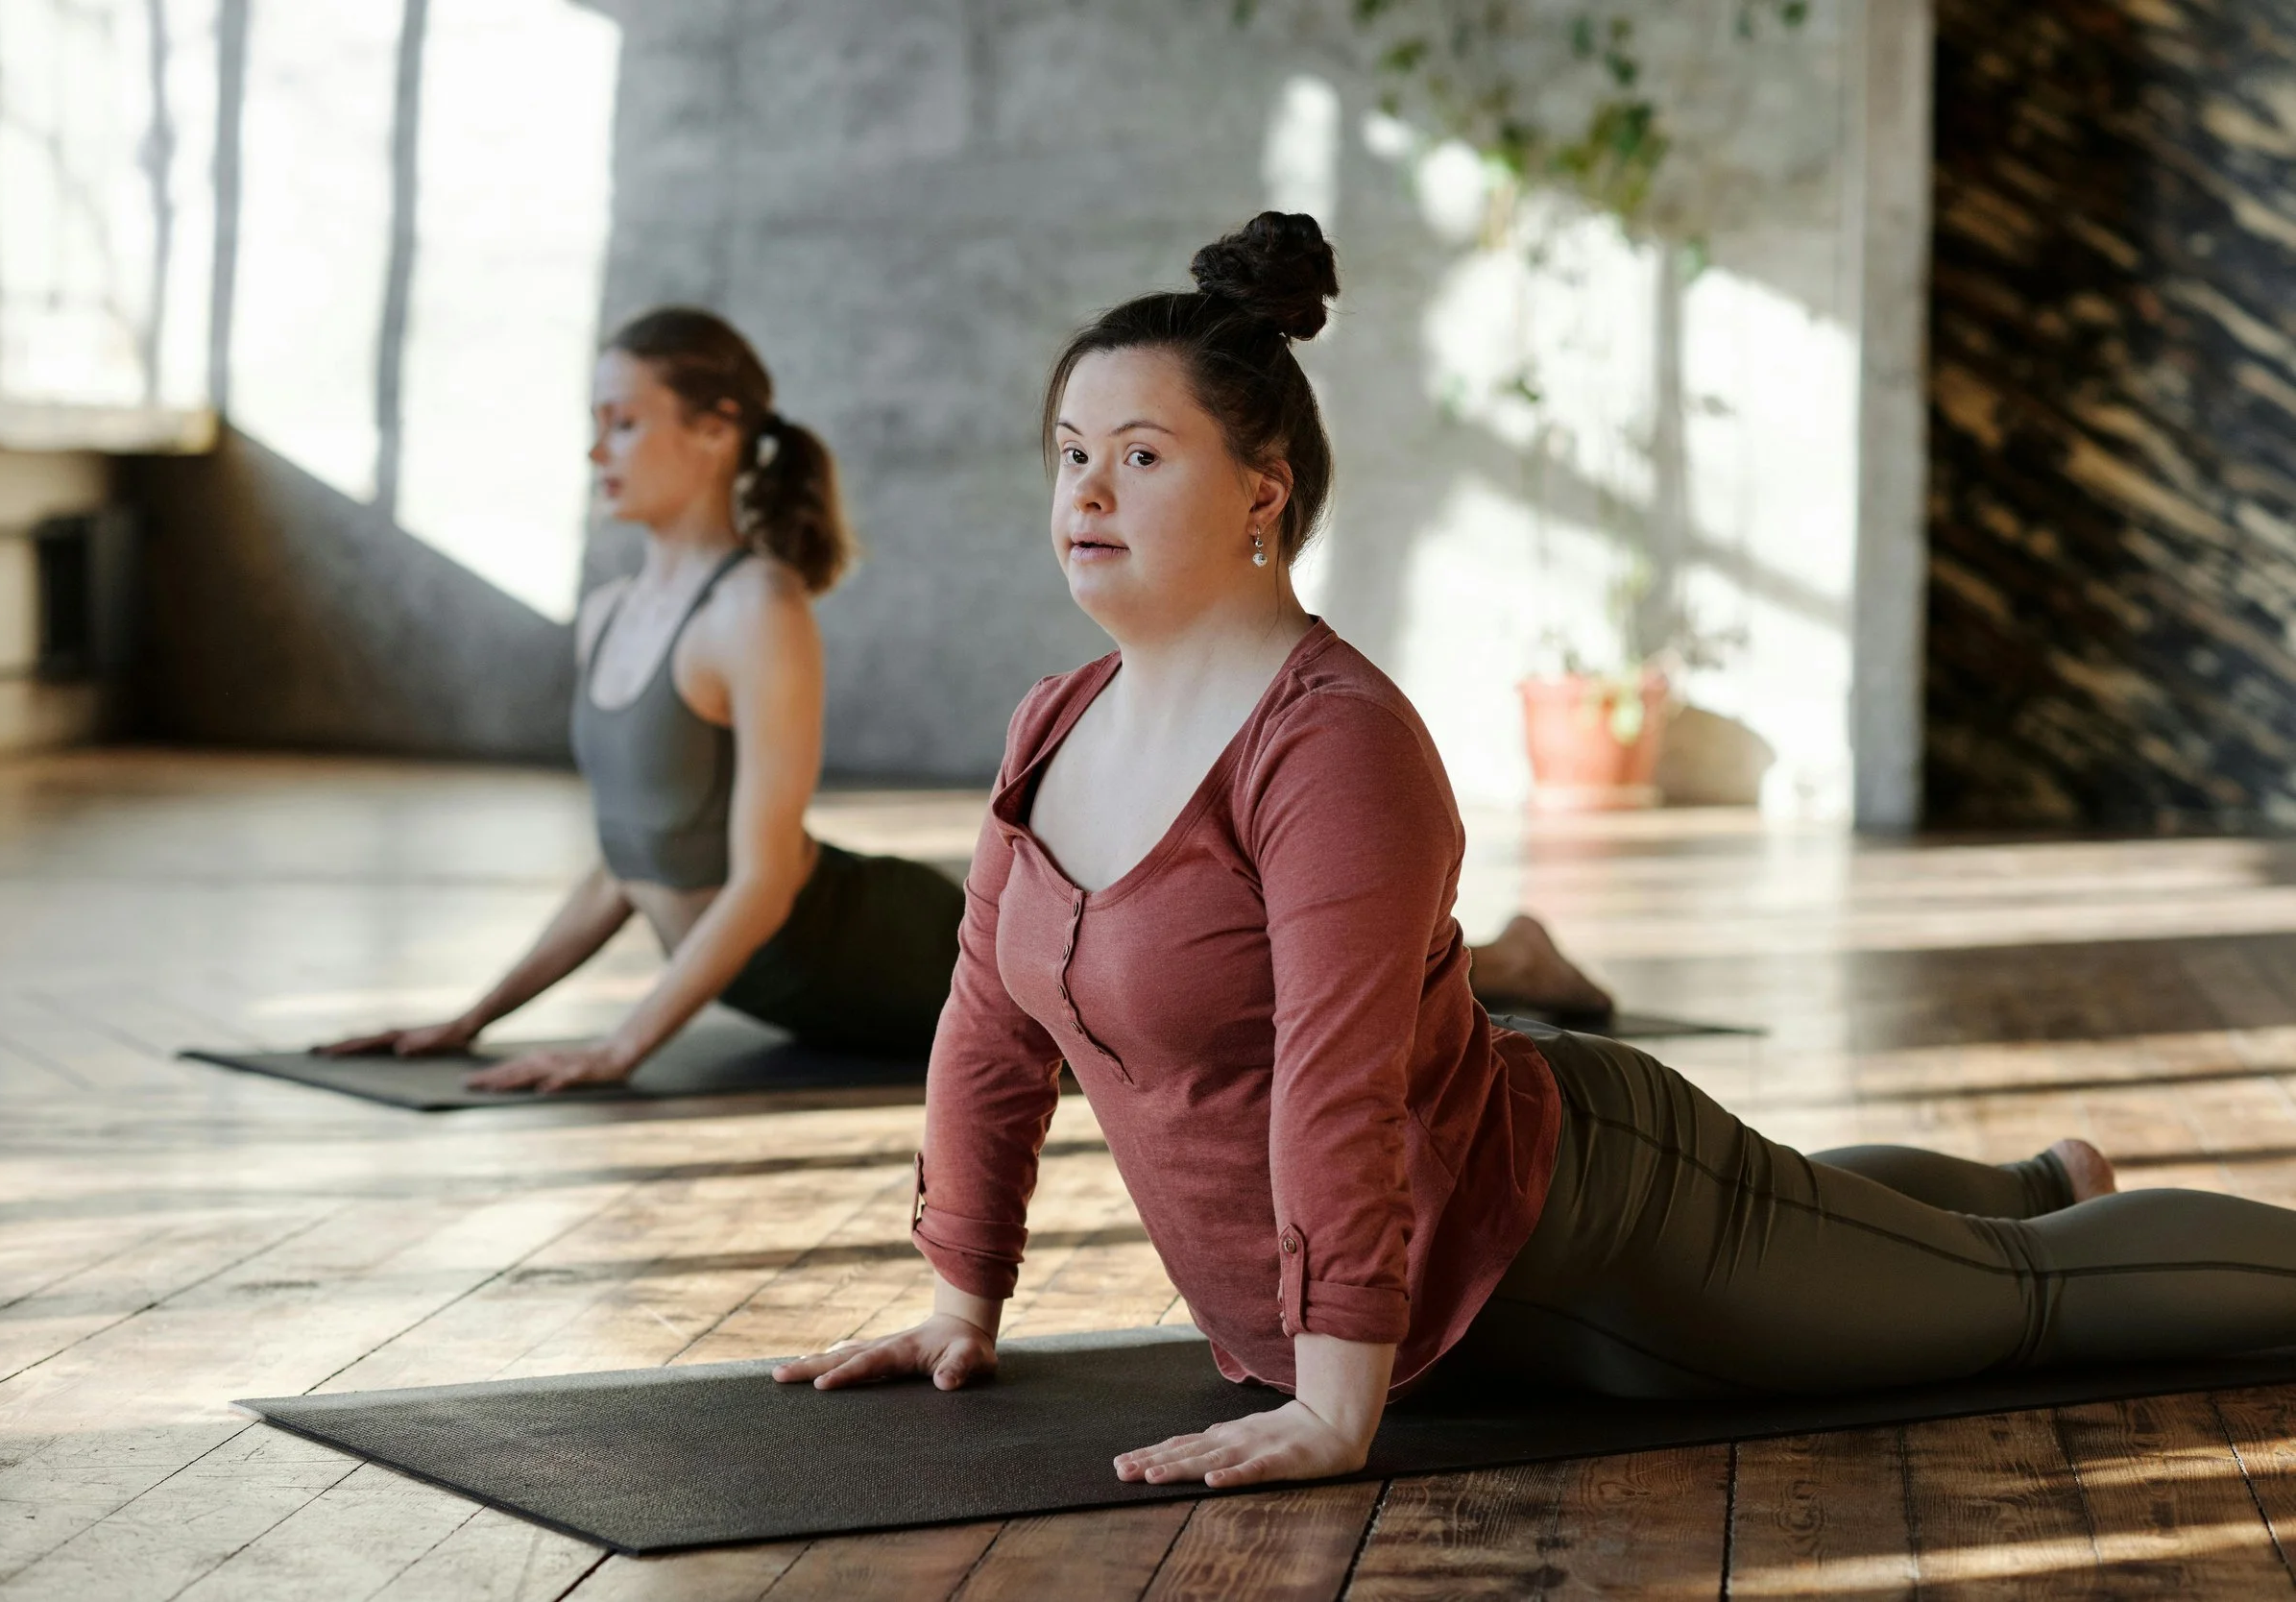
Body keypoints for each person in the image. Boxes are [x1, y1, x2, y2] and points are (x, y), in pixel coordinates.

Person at [771, 211, 2296, 1491]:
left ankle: (2045, 1220)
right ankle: (2037, 1177)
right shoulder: (1054, 721)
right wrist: (961, 1300)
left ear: (1262, 491)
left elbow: (1337, 1077)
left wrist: (1335, 1402)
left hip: (1581, 1240)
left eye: (1144, 456)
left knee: (2028, 1309)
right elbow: (986, 1024)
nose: (1086, 492)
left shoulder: (1330, 742)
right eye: (1070, 452)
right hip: (1410, 1292)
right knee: (1863, 1230)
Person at [322, 309, 966, 1088]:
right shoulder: (607, 615)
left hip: (904, 954)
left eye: (623, 423)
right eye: (595, 425)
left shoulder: (756, 608)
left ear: (716, 430)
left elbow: (762, 884)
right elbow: (623, 869)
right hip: (800, 993)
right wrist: (472, 1020)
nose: (597, 451)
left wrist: (620, 1049)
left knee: (1116, 1026)